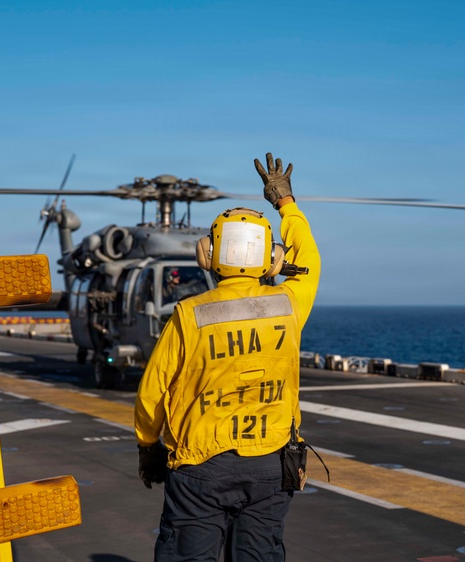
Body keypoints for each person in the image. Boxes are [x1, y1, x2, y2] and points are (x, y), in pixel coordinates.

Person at [134, 153, 321, 562]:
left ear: (207, 254)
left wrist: (149, 448)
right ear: (271, 258)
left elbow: (153, 393)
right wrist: (286, 204)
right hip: (272, 463)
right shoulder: (288, 304)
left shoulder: (189, 315)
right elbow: (308, 260)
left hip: (201, 470)